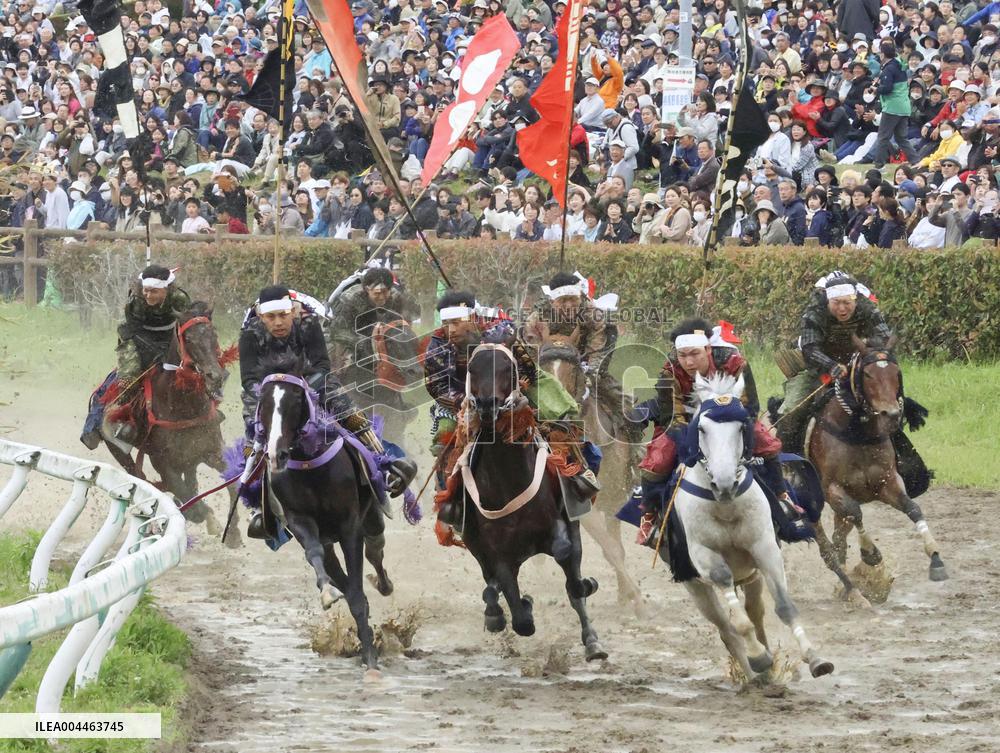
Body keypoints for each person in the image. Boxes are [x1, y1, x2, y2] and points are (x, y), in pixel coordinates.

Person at [238, 285, 410, 538]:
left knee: (354, 419)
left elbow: (321, 364)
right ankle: (258, 506)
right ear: (262, 317)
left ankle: (383, 466)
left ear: (292, 312)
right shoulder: (249, 335)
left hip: (315, 385)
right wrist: (274, 392)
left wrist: (302, 389)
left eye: (283, 315)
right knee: (253, 442)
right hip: (267, 394)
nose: (278, 322)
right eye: (271, 317)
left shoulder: (309, 326)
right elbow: (249, 378)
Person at [634, 318, 783, 544]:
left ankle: (782, 496)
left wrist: (733, 426)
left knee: (767, 444)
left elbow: (751, 406)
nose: (689, 361)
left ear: (708, 348)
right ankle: (649, 515)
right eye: (683, 355)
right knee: (658, 460)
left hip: (732, 419)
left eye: (695, 354)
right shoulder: (669, 372)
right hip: (684, 424)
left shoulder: (734, 363)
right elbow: (671, 417)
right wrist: (692, 440)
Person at [774, 274, 893, 455]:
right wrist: (831, 366)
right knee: (791, 410)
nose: (842, 309)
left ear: (855, 299)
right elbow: (809, 348)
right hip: (816, 370)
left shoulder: (868, 309)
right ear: (828, 301)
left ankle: (899, 456)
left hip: (861, 369)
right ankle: (788, 459)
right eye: (836, 303)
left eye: (847, 303)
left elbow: (884, 338)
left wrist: (866, 345)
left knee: (892, 404)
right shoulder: (814, 314)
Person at [80, 265, 193, 450]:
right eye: (146, 290)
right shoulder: (135, 301)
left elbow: (189, 324)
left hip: (170, 339)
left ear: (167, 289)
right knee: (125, 379)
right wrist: (133, 365)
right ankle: (96, 428)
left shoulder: (180, 299)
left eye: (154, 291)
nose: (148, 295)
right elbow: (128, 332)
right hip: (137, 339)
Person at [326, 266, 419, 377]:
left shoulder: (395, 297)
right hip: (349, 336)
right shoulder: (350, 299)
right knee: (342, 365)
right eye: (377, 293)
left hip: (380, 335)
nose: (382, 297)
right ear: (367, 289)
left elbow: (405, 320)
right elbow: (338, 331)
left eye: (386, 292)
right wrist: (362, 343)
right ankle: (337, 384)